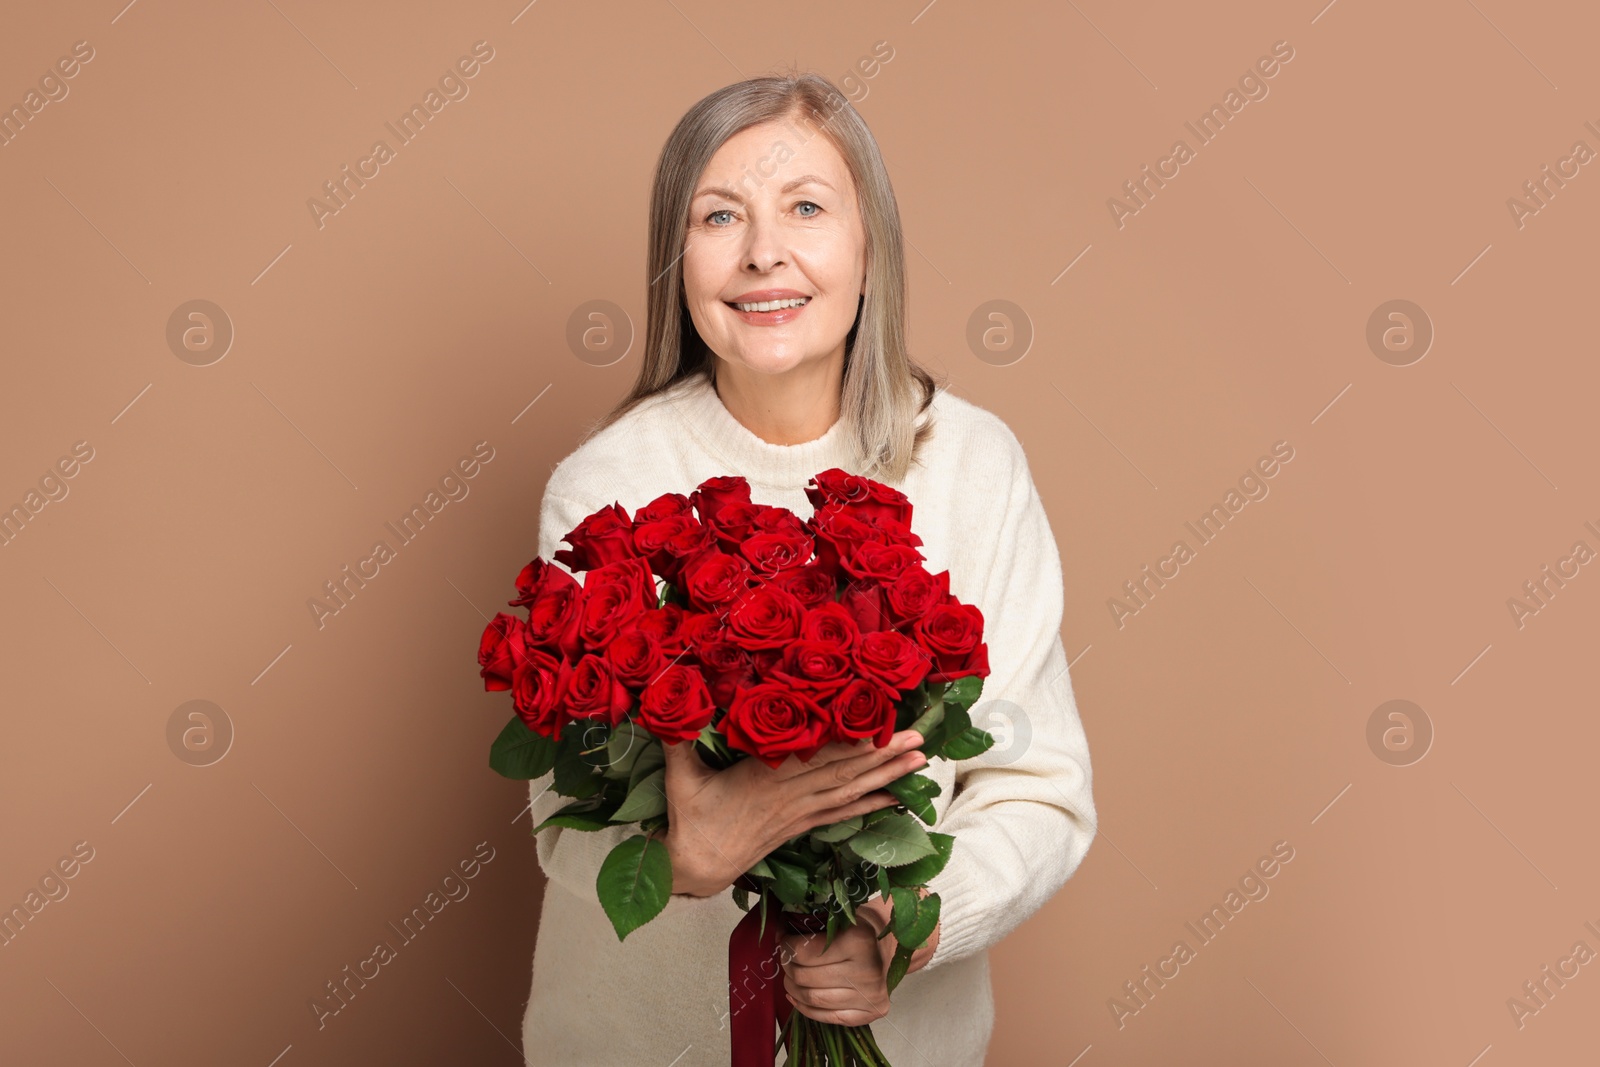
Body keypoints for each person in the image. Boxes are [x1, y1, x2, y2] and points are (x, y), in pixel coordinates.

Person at [520, 72, 1096, 1066]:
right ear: (675, 258)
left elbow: (1036, 787)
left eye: (806, 208)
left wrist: (900, 926)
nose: (761, 252)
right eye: (718, 215)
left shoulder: (971, 465)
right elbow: (561, 820)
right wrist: (679, 857)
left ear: (869, 249)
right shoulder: (605, 484)